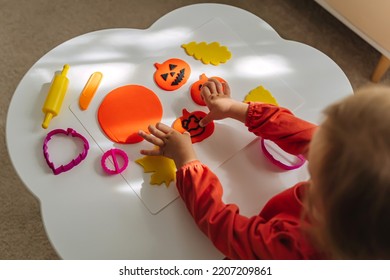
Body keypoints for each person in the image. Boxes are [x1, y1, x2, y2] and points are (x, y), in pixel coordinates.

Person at [138, 78, 390, 259]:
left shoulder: (294, 251)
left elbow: (226, 231)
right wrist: (239, 109)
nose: (315, 138)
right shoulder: (359, 180)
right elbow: (304, 135)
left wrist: (187, 162)